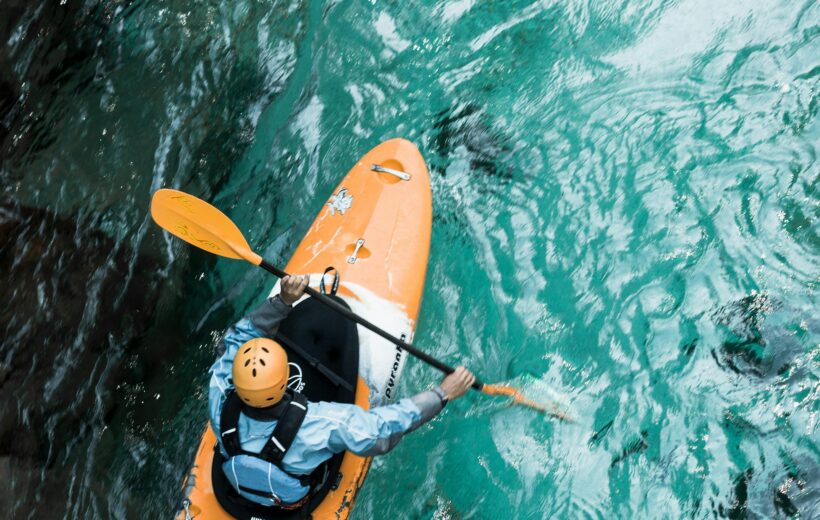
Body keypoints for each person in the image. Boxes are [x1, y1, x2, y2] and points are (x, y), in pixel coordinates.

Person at [208, 275, 476, 510]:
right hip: (294, 496)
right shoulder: (318, 424)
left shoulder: (220, 392)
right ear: (285, 380)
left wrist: (282, 301)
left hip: (239, 481)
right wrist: (442, 394)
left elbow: (232, 342)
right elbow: (381, 433)